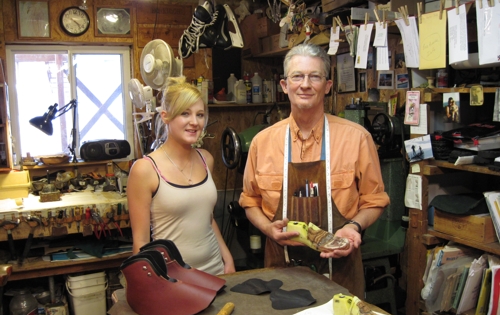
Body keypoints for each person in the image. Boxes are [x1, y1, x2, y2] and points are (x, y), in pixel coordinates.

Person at [239, 44, 390, 297]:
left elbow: (375, 200)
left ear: (327, 86)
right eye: (297, 76)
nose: (305, 84)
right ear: (285, 85)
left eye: (314, 76)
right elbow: (249, 200)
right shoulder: (262, 143)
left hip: (341, 274)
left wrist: (353, 227)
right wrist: (268, 229)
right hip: (280, 275)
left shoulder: (356, 139)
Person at [127, 76, 235, 276]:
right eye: (185, 114)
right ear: (166, 116)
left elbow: (207, 218)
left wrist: (227, 259)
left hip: (215, 271)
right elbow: (141, 242)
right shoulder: (145, 169)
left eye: (200, 115)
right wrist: (151, 285)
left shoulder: (206, 159)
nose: (194, 122)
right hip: (174, 277)